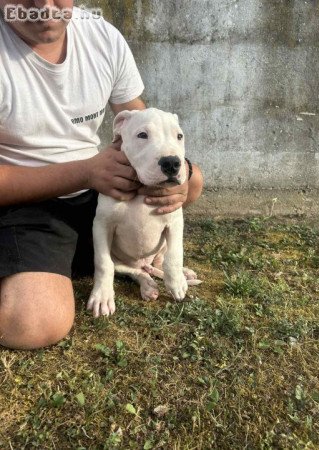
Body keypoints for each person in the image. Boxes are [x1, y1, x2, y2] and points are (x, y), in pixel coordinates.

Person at [0, 0, 203, 350]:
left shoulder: (101, 36)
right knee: (33, 323)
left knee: (192, 183)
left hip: (100, 187)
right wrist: (86, 172)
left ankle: (120, 260)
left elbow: (143, 123)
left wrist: (184, 171)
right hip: (28, 200)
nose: (42, 5)